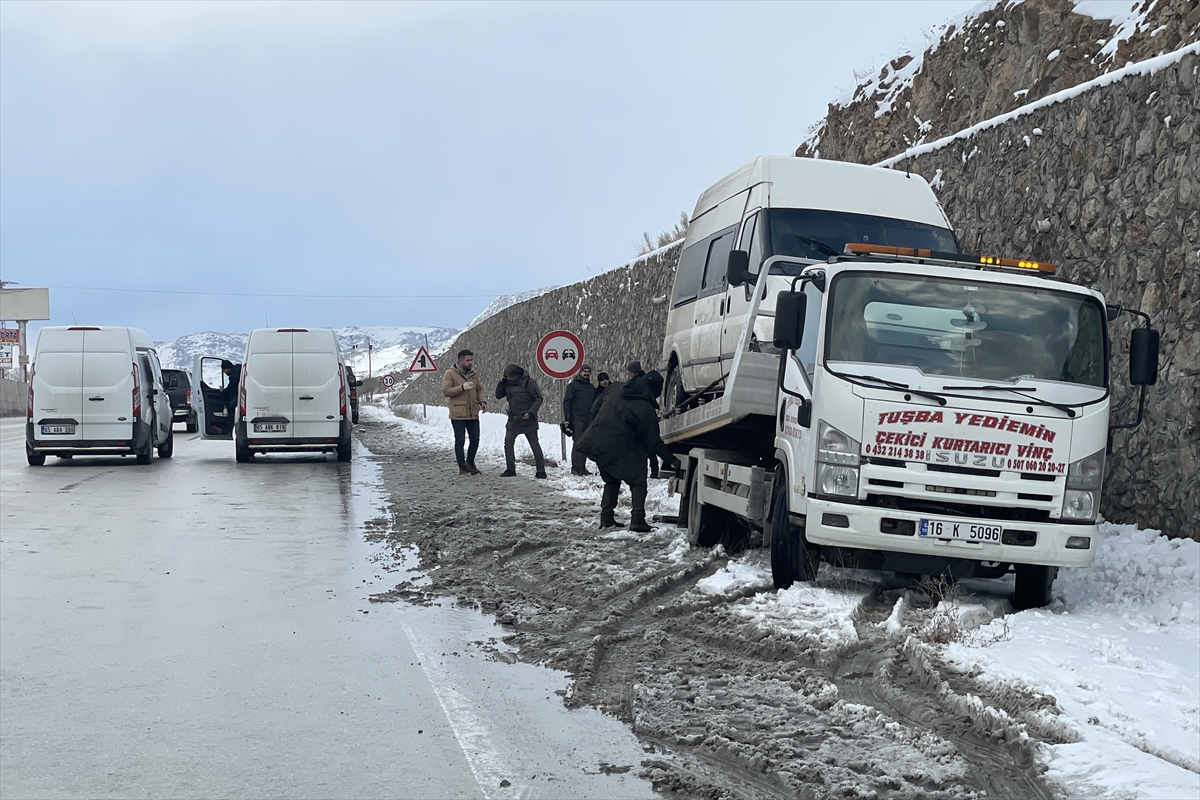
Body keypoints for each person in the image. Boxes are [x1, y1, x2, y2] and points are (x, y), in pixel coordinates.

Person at [575, 361, 663, 532]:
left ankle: (606, 517)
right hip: (622, 445)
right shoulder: (646, 408)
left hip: (598, 443)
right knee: (638, 482)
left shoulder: (615, 387)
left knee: (611, 480)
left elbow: (594, 408)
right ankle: (637, 520)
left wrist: (595, 427)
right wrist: (672, 460)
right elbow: (653, 440)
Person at [495, 364, 546, 478]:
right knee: (508, 444)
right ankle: (510, 469)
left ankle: (541, 471)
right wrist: (501, 383)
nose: (508, 379)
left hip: (527, 419)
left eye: (510, 376)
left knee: (534, 445)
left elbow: (538, 398)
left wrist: (531, 412)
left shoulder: (529, 383)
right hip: (513, 419)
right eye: (506, 376)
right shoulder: (506, 383)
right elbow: (498, 395)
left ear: (517, 375)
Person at [442, 349, 487, 475]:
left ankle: (470, 463)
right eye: (468, 360)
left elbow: (478, 390)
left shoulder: (474, 374)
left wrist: (482, 401)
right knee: (460, 441)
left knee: (475, 439)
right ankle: (462, 466)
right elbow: (446, 391)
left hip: (473, 413)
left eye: (471, 360)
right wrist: (462, 387)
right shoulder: (450, 374)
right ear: (460, 361)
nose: (470, 362)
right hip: (458, 414)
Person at [562, 364, 596, 476]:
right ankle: (576, 468)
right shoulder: (573, 386)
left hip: (588, 420)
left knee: (585, 444)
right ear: (580, 372)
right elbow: (567, 402)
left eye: (588, 371)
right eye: (584, 371)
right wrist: (567, 418)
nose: (586, 373)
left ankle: (582, 467)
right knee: (578, 443)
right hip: (577, 420)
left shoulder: (591, 387)